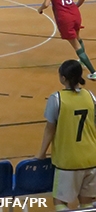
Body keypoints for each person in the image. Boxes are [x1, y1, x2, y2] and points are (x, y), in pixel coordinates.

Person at [37, 60, 96, 209]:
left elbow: (50, 130)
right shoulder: (90, 96)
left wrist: (41, 154)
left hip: (68, 161)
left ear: (63, 78)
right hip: (91, 158)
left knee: (60, 202)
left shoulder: (57, 99)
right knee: (87, 203)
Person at [38, 0, 96, 80]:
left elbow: (46, 3)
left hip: (64, 19)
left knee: (76, 45)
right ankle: (83, 61)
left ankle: (93, 72)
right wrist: (74, 8)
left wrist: (40, 9)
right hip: (75, 15)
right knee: (78, 38)